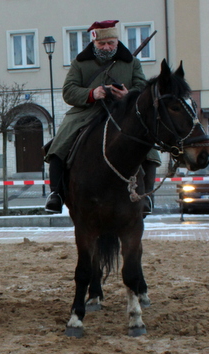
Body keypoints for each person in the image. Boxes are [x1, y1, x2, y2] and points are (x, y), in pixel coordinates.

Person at [43, 20, 159, 215]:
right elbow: (69, 91)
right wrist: (93, 93)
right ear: (95, 43)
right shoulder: (80, 63)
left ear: (117, 42)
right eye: (102, 44)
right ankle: (56, 194)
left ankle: (146, 197)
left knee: (149, 150)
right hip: (87, 112)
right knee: (59, 146)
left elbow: (142, 88)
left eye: (111, 43)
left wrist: (128, 95)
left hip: (123, 112)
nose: (107, 47)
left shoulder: (132, 63)